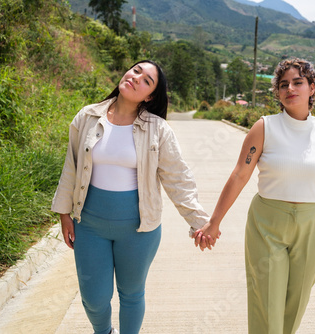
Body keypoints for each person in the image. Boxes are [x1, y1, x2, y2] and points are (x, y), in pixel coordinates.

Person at [51, 60, 212, 334]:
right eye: (136, 71)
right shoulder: (87, 117)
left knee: (131, 293)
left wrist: (199, 221)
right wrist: (64, 214)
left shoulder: (158, 129)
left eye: (147, 80)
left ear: (149, 96)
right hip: (89, 225)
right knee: (94, 298)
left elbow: (178, 179)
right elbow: (72, 167)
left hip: (139, 229)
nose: (137, 78)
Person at [195, 58, 315, 333]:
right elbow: (239, 175)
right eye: (283, 84)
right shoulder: (264, 128)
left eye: (298, 82)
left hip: (312, 226)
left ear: (312, 88)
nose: (290, 88)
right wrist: (214, 221)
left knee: (296, 300)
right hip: (267, 224)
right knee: (267, 301)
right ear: (277, 92)